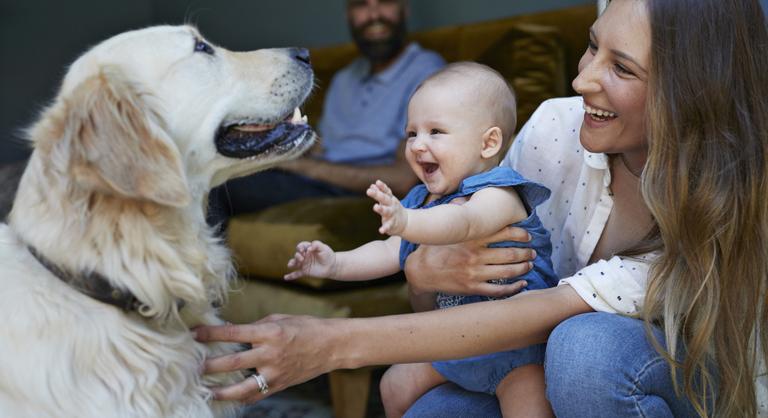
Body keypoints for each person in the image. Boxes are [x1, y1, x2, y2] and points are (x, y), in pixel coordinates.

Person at [195, 0, 768, 416]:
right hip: (534, 355)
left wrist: (331, 344)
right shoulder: (554, 127)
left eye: (622, 68)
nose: (581, 77)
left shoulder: (723, 196)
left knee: (587, 349)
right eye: (593, 45)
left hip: (689, 384)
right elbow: (443, 288)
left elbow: (545, 312)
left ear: (689, 92)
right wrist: (421, 269)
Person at [284, 62, 558, 418]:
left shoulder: (500, 193)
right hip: (454, 344)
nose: (417, 145)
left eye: (436, 132)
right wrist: (335, 263)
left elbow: (463, 222)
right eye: (411, 133)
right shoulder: (421, 201)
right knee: (393, 385)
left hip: (516, 351)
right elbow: (387, 252)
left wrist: (407, 221)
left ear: (488, 142)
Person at [206, 0, 445, 230]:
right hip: (312, 180)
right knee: (215, 169)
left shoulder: (427, 72)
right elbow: (322, 148)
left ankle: (198, 271)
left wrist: (299, 166)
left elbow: (404, 179)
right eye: (361, 4)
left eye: (385, 1)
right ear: (348, 15)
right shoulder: (344, 79)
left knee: (221, 186)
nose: (373, 14)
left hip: (356, 191)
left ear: (405, 8)